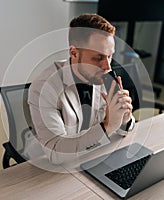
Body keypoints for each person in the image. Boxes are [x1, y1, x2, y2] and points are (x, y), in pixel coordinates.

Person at [26, 13, 135, 164]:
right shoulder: (44, 87)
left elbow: (124, 131)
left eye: (110, 56)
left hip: (92, 155)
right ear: (74, 52)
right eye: (98, 58)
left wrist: (124, 118)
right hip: (50, 166)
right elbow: (57, 153)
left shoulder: (104, 75)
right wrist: (108, 127)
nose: (107, 66)